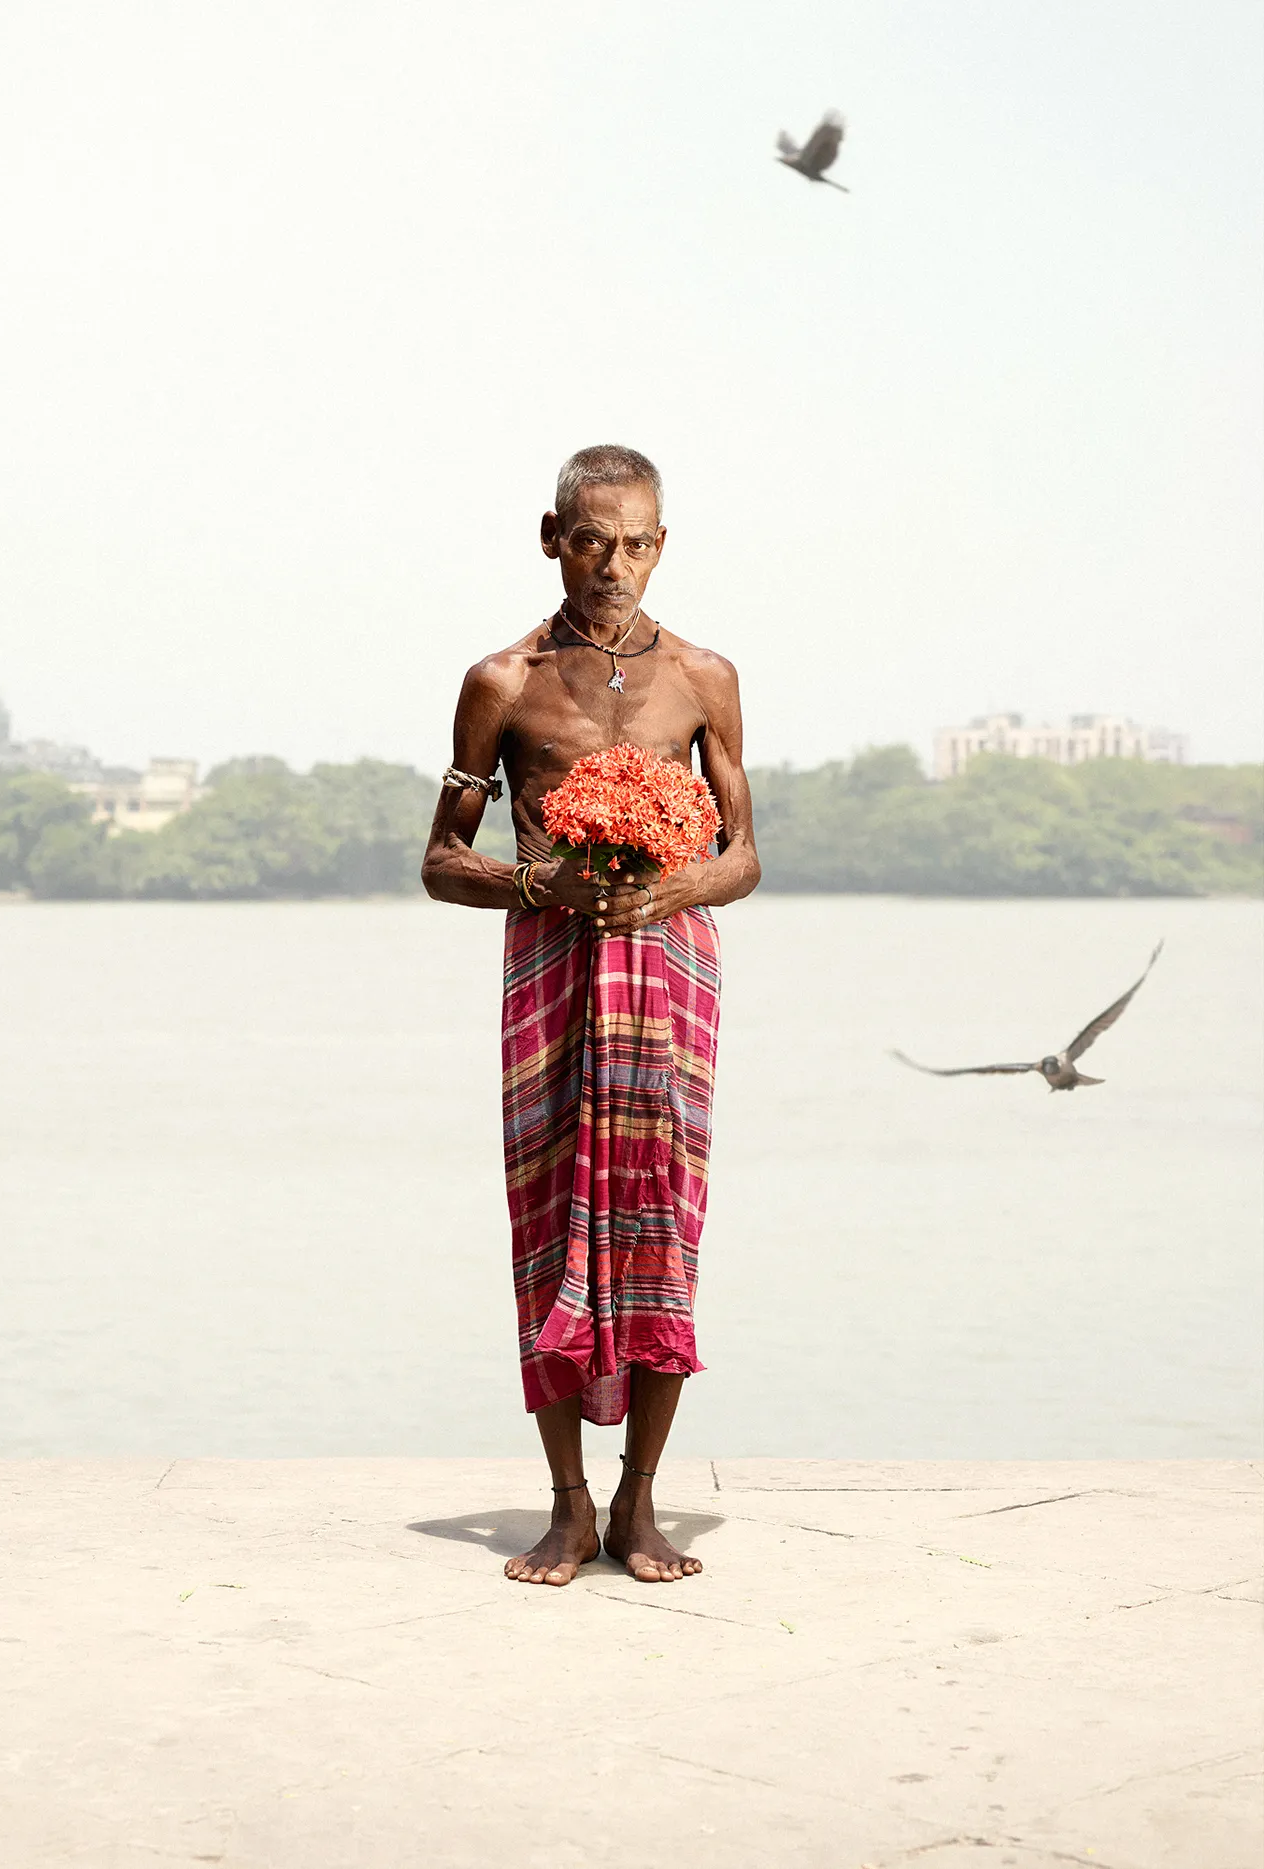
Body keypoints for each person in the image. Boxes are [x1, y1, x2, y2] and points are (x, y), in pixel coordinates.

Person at [422, 444, 760, 1585]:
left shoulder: (704, 677)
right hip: (551, 971)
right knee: (545, 1225)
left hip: (669, 976)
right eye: (590, 540)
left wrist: (676, 884)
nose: (614, 564)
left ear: (661, 544)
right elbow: (438, 861)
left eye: (635, 542)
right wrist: (540, 883)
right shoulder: (501, 681)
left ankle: (638, 1506)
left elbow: (743, 856)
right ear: (549, 537)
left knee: (663, 1225)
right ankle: (566, 1505)